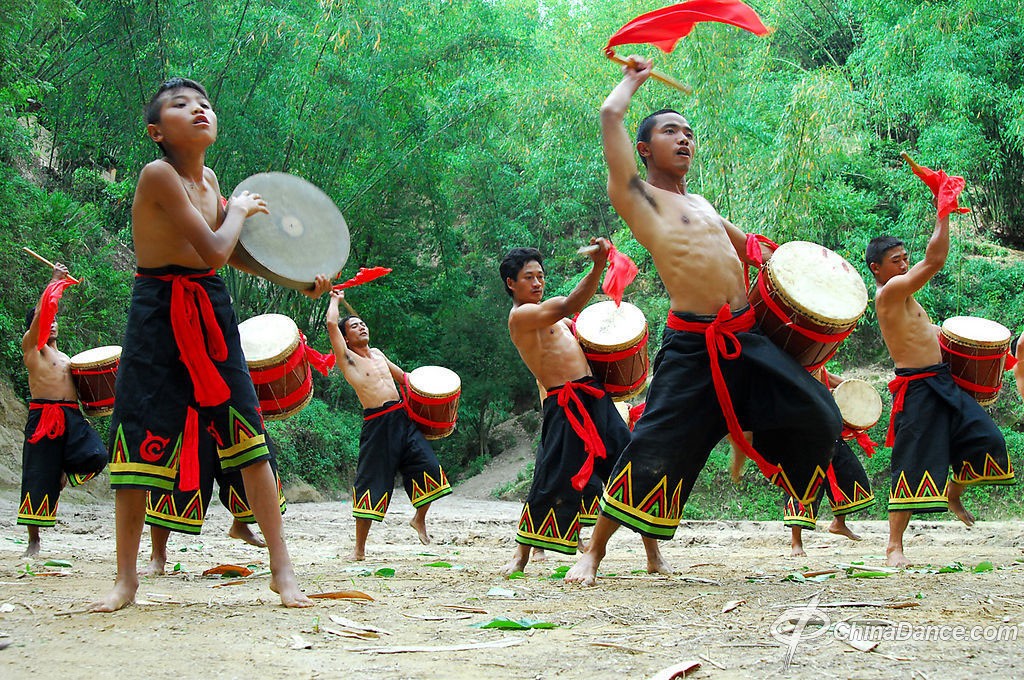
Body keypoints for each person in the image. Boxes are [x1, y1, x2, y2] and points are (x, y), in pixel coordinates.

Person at [566, 57, 841, 586]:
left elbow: (752, 248)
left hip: (748, 337)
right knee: (654, 447)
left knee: (822, 415)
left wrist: (804, 270)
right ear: (644, 149)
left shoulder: (703, 201)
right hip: (694, 347)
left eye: (689, 133)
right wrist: (634, 79)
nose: (684, 139)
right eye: (671, 131)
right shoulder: (639, 199)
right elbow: (608, 115)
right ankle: (593, 553)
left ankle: (754, 446)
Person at [92, 77, 328, 611]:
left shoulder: (211, 179)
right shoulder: (159, 175)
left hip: (211, 306)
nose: (197, 110)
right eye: (180, 105)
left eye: (204, 104)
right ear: (156, 131)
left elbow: (228, 252)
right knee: (137, 439)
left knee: (248, 435)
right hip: (158, 312)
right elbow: (217, 246)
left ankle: (281, 569)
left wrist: (296, 281)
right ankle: (126, 578)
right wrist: (240, 210)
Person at [499, 244, 669, 576]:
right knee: (549, 479)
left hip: (594, 398)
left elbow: (581, 330)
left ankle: (653, 556)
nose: (537, 283)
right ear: (511, 284)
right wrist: (598, 268)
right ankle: (521, 557)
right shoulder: (521, 316)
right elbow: (570, 302)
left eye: (540, 276)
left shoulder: (558, 320)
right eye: (528, 278)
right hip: (565, 406)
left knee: (629, 468)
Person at [868, 211, 1014, 567]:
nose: (904, 265)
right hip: (917, 388)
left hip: (941, 382)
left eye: (905, 259)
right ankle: (893, 546)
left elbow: (925, 336)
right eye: (895, 261)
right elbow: (935, 260)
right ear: (876, 268)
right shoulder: (889, 294)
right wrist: (943, 213)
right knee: (911, 464)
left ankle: (953, 493)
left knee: (987, 439)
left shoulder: (905, 298)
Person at [325, 290, 452, 561]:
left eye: (362, 324)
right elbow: (330, 325)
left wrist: (436, 390)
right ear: (346, 338)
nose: (361, 327)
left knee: (429, 468)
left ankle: (419, 518)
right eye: (355, 327)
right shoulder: (347, 358)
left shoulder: (379, 354)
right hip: (377, 425)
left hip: (402, 419)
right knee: (371, 483)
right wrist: (335, 299)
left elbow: (405, 378)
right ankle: (359, 549)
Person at [18, 263, 107, 557]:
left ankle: (66, 470)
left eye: (56, 319)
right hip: (44, 416)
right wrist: (54, 282)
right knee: (37, 476)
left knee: (97, 454)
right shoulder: (33, 349)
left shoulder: (67, 357)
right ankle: (34, 540)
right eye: (48, 319)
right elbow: (41, 319)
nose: (53, 323)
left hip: (71, 416)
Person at [141, 427, 287, 575]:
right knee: (172, 475)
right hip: (184, 411)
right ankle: (158, 556)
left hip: (228, 406)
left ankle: (244, 527)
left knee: (249, 459)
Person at [783, 370, 875, 557]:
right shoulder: (787, 369)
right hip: (801, 441)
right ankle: (796, 543)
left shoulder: (821, 371)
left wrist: (851, 394)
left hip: (830, 436)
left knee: (850, 475)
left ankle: (838, 523)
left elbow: (847, 385)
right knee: (800, 489)